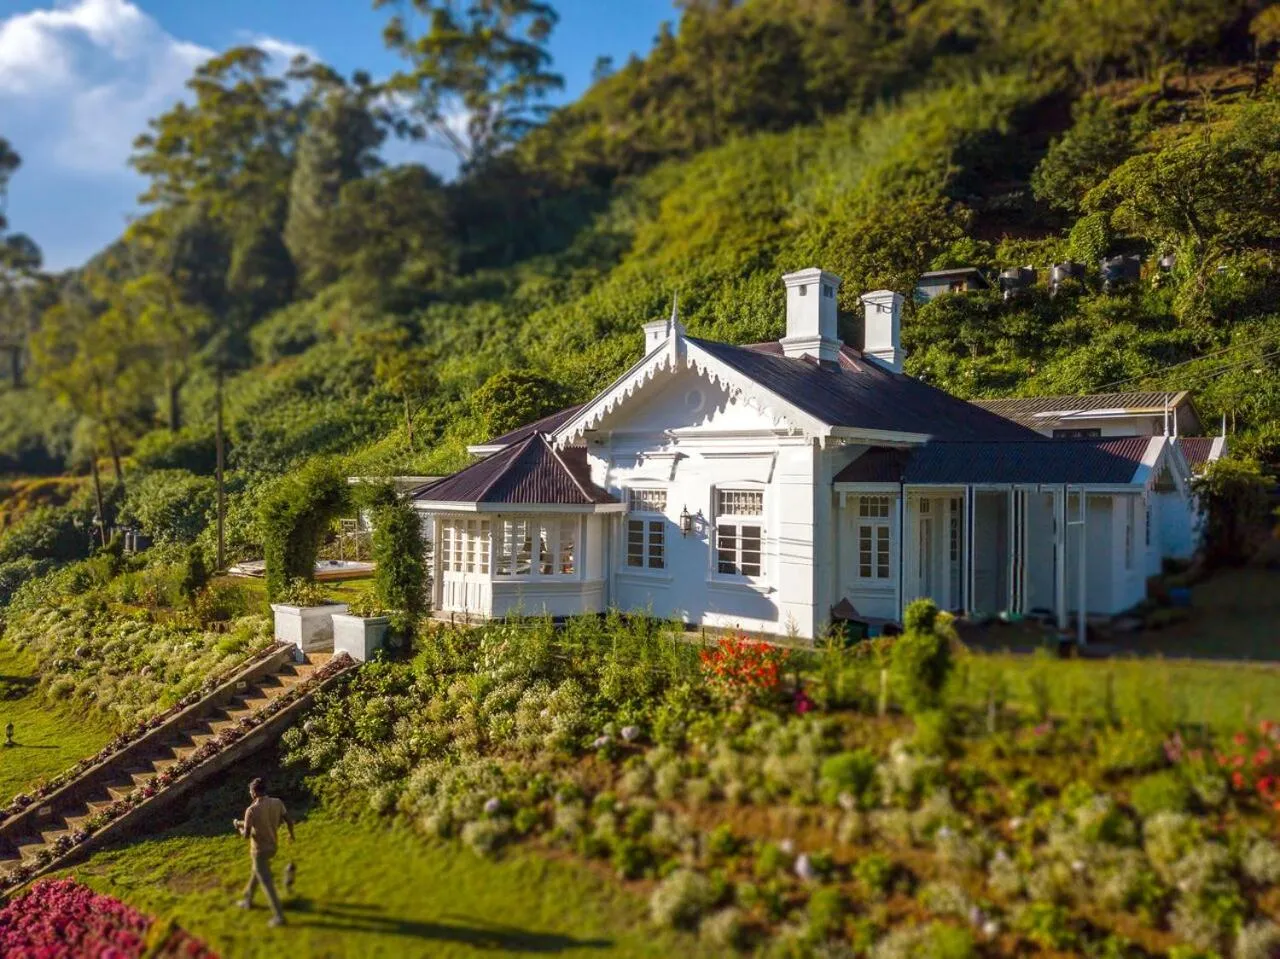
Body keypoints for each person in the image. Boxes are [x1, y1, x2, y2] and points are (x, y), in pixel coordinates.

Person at [234, 778, 295, 926]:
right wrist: (291, 835)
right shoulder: (277, 802)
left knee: (267, 884)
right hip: (273, 847)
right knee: (256, 873)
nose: (250, 793)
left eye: (250, 791)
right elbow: (288, 820)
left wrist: (238, 827)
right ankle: (248, 901)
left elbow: (247, 835)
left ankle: (279, 917)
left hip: (259, 851)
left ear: (254, 792)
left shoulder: (251, 810)